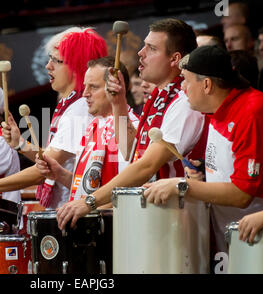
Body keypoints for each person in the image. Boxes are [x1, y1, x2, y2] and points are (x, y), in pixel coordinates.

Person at [143, 45, 263, 272]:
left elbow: (242, 194)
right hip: (236, 240)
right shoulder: (219, 108)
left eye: (185, 81)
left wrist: (182, 186)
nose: (182, 89)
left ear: (206, 85)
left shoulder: (253, 113)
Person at [56, 18, 207, 230]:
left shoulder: (183, 102)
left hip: (177, 225)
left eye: (151, 48)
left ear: (175, 59)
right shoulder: (159, 98)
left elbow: (146, 166)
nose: (140, 53)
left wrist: (89, 201)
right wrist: (118, 103)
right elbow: (130, 152)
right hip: (157, 220)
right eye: (144, 45)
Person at [0, 27, 108, 208]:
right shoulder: (73, 105)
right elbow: (50, 162)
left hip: (73, 211)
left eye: (56, 60)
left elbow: (42, 171)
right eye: (49, 59)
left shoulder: (79, 109)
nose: (48, 66)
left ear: (76, 64)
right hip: (67, 210)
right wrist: (20, 144)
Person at [35, 56, 139, 203]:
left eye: (94, 87)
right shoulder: (94, 126)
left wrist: (86, 207)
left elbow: (127, 194)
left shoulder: (130, 127)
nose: (85, 94)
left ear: (116, 88)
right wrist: (59, 173)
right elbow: (88, 187)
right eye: (85, 86)